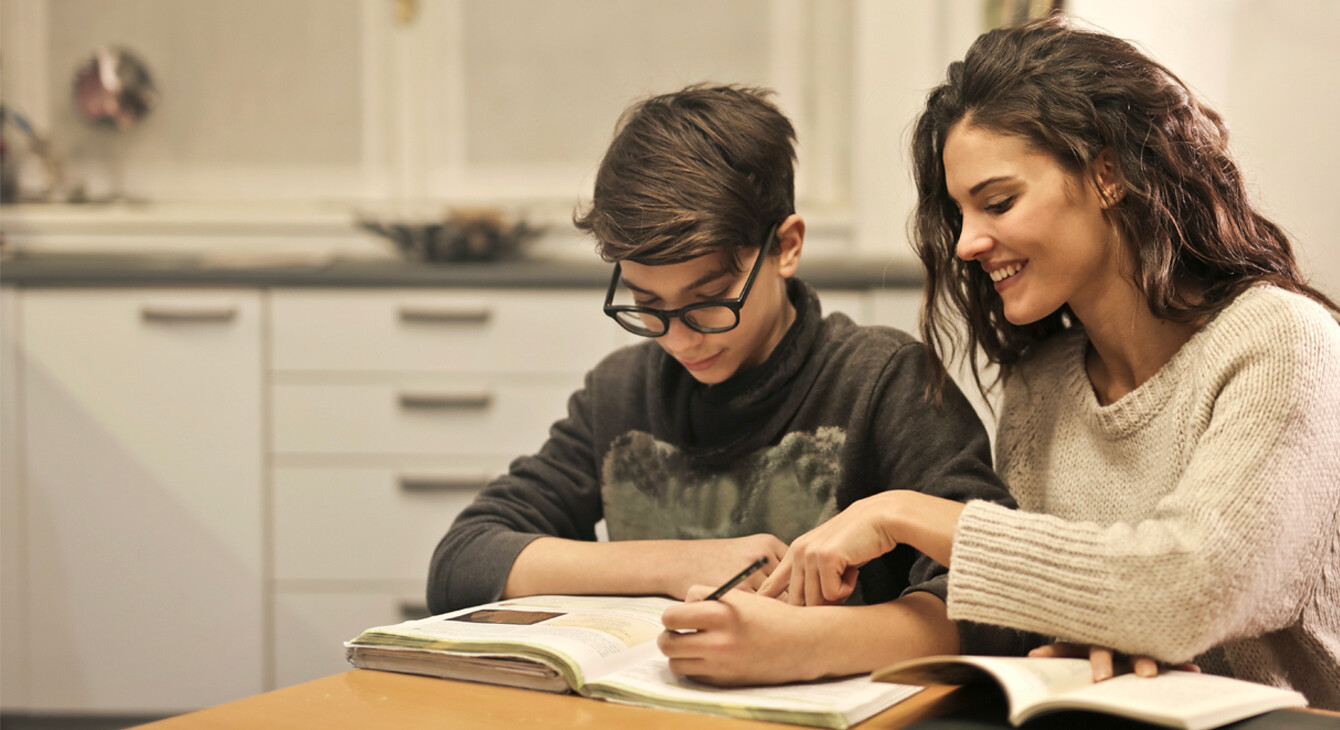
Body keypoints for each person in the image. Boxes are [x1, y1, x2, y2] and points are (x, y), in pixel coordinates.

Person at [758, 16, 1340, 708]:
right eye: (960, 212)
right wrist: (1095, 634)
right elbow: (1057, 612)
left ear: (1108, 173)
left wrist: (900, 513)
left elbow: (1188, 590)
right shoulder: (1041, 389)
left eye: (998, 201)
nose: (969, 242)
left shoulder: (1280, 339)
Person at [427, 84, 1014, 685]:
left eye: (709, 303)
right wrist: (679, 563)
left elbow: (1004, 598)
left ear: (786, 246)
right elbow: (464, 559)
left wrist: (810, 644)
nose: (680, 340)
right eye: (647, 303)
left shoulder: (883, 383)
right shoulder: (621, 392)